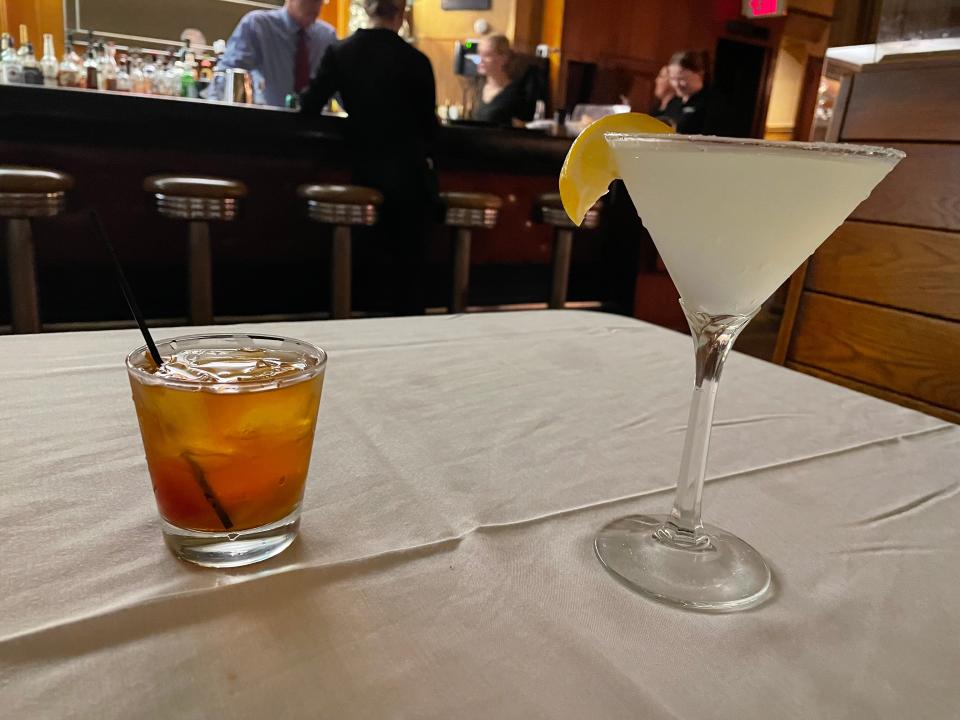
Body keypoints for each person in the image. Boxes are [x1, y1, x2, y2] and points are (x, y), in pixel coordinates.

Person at [300, 0, 439, 315]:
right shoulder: (417, 60)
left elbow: (308, 107)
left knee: (371, 261)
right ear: (401, 12)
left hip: (365, 175)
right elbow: (430, 130)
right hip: (410, 182)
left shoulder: (341, 52)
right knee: (408, 273)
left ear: (365, 8)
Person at [219, 0, 335, 106]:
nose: (316, 5)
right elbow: (225, 76)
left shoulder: (326, 36)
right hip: (266, 121)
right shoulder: (258, 26)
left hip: (314, 124)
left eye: (321, 1)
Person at [472, 34, 535, 126]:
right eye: (479, 54)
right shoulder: (478, 87)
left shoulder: (516, 93)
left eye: (487, 55)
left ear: (503, 58)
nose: (479, 59)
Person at [662, 50, 720, 135]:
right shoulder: (673, 102)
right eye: (672, 79)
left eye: (681, 78)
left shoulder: (713, 102)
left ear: (700, 74)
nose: (676, 84)